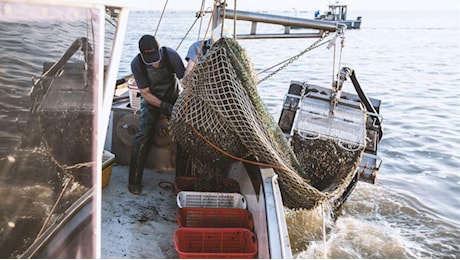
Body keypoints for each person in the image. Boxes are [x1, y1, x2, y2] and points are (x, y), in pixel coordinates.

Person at [128, 34, 185, 194]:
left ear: (159, 50)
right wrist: (163, 106)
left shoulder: (171, 56)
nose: (154, 63)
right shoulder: (137, 64)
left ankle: (182, 180)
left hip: (173, 98)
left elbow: (185, 81)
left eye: (156, 58)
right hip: (152, 101)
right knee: (142, 135)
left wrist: (176, 106)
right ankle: (134, 182)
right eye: (150, 60)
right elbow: (145, 93)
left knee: (184, 134)